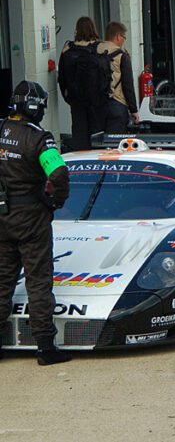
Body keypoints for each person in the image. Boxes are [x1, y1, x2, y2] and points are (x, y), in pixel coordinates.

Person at [0, 81, 71, 365]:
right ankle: (45, 348)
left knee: (2, 281)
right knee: (39, 282)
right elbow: (59, 173)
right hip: (31, 218)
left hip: (2, 217)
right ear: (35, 108)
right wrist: (56, 202)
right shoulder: (39, 139)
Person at [57, 16, 106, 151]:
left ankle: (81, 157)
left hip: (75, 98)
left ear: (77, 30)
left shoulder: (68, 49)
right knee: (96, 133)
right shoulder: (99, 47)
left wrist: (67, 95)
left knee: (79, 131)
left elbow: (61, 76)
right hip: (96, 100)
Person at [98, 22, 139, 134]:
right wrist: (133, 110)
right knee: (115, 145)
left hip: (96, 106)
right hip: (116, 104)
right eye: (124, 37)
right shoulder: (121, 55)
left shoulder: (94, 50)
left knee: (97, 144)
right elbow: (127, 85)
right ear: (118, 37)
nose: (124, 40)